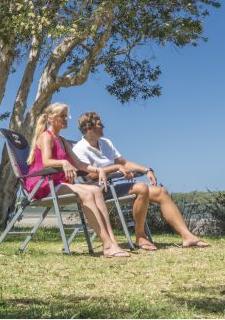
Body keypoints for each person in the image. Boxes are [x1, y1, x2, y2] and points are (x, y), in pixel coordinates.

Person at [72, 111, 210, 249]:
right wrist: (115, 168)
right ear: (89, 127)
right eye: (99, 124)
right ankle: (140, 236)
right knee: (142, 188)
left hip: (116, 186)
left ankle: (187, 236)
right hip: (99, 190)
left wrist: (146, 170)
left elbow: (124, 163)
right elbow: (88, 176)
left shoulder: (106, 143)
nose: (103, 126)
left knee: (161, 192)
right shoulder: (80, 149)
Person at [25, 102, 131, 258]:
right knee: (87, 194)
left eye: (66, 115)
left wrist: (99, 169)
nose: (66, 119)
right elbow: (47, 161)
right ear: (50, 118)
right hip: (43, 185)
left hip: (58, 184)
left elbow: (80, 164)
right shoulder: (45, 137)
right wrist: (63, 162)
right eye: (62, 115)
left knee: (95, 190)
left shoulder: (62, 140)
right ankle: (107, 245)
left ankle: (112, 241)